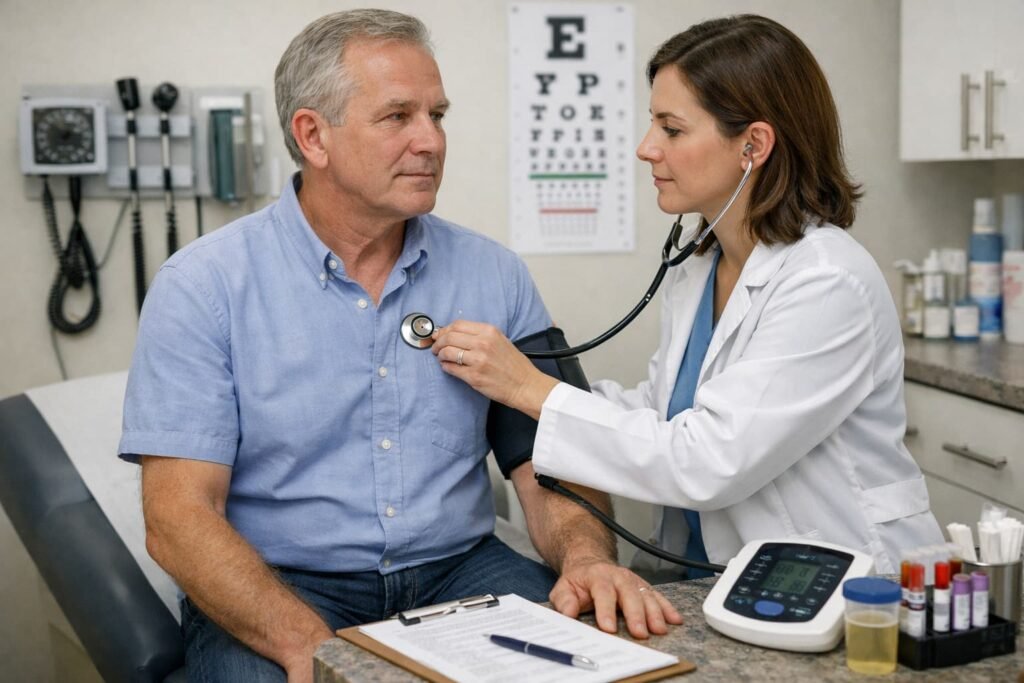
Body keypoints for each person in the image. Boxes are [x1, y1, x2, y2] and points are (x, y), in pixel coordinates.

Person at [118, 9, 678, 683]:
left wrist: (586, 557)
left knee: (601, 660)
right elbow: (179, 518)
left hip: (462, 568)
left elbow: (547, 459)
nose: (432, 141)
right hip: (284, 583)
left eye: (437, 115)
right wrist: (311, 647)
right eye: (398, 117)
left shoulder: (494, 274)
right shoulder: (203, 286)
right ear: (312, 136)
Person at [431, 14, 943, 580]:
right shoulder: (702, 263)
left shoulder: (827, 282)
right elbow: (662, 410)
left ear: (753, 144)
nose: (646, 149)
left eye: (671, 130)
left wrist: (529, 387)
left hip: (842, 583)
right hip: (710, 576)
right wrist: (507, 398)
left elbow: (707, 460)